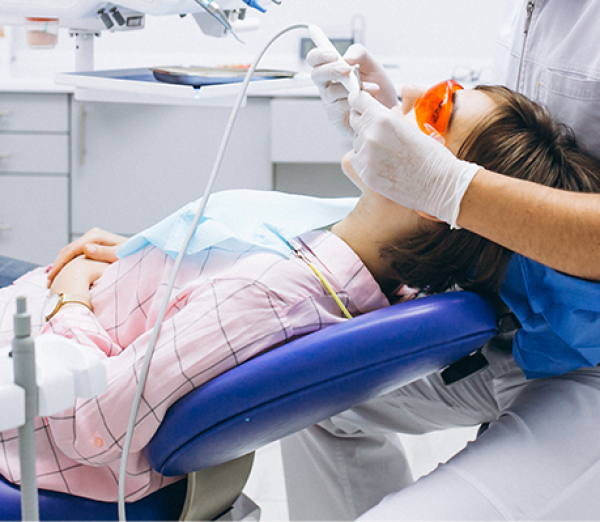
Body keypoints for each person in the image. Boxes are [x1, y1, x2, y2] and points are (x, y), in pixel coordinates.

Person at [282, 0, 600, 521]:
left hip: (592, 364)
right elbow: (515, 143)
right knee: (312, 403)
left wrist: (447, 187)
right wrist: (399, 119)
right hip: (523, 324)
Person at [1, 82, 598, 506]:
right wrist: (149, 261)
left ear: (432, 195)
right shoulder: (370, 269)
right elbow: (209, 310)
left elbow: (98, 428)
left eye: (436, 108)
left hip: (33, 393)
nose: (410, 92)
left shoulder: (272, 300)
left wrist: (71, 294)